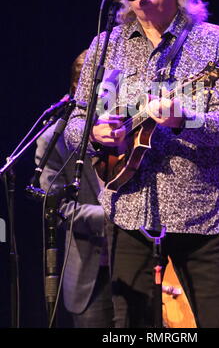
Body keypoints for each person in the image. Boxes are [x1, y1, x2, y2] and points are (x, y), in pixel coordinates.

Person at [64, 0, 219, 328]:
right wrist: (96, 134)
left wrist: (184, 119)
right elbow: (75, 124)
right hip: (128, 212)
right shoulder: (105, 46)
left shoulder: (216, 43)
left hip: (200, 213)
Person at [35, 50, 113, 328]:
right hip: (90, 277)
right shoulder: (54, 141)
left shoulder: (131, 132)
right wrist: (111, 219)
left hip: (140, 270)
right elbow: (54, 207)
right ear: (76, 92)